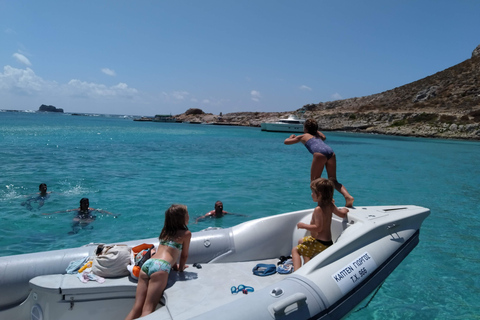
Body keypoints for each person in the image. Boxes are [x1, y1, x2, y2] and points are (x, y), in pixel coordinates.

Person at [125, 204, 191, 320]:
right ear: (182, 218)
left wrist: (174, 266)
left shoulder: (165, 231)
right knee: (148, 309)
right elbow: (183, 255)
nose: (189, 216)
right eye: (187, 214)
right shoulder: (186, 234)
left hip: (148, 264)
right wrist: (180, 269)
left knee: (137, 308)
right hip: (161, 267)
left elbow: (168, 249)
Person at [284, 118, 354, 207]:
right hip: (331, 153)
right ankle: (348, 196)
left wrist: (291, 137)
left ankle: (326, 202)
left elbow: (286, 142)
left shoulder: (303, 136)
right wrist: (316, 131)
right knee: (333, 180)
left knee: (314, 182)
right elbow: (324, 137)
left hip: (320, 154)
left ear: (305, 129)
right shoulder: (319, 136)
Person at [291, 178, 349, 271]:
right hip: (326, 242)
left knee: (295, 250)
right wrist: (344, 210)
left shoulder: (318, 209)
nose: (311, 194)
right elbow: (341, 214)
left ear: (320, 194)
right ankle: (307, 264)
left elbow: (318, 228)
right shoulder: (330, 204)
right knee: (301, 241)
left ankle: (297, 272)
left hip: (320, 244)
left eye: (313, 192)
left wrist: (303, 225)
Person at [43, 198, 117, 234]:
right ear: (81, 204)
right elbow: (63, 211)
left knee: (89, 220)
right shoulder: (77, 210)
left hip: (88, 217)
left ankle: (86, 229)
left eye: (87, 203)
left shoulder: (90, 209)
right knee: (75, 220)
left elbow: (101, 211)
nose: (86, 205)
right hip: (79, 217)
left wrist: (113, 214)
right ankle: (74, 230)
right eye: (85, 203)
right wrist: (49, 214)